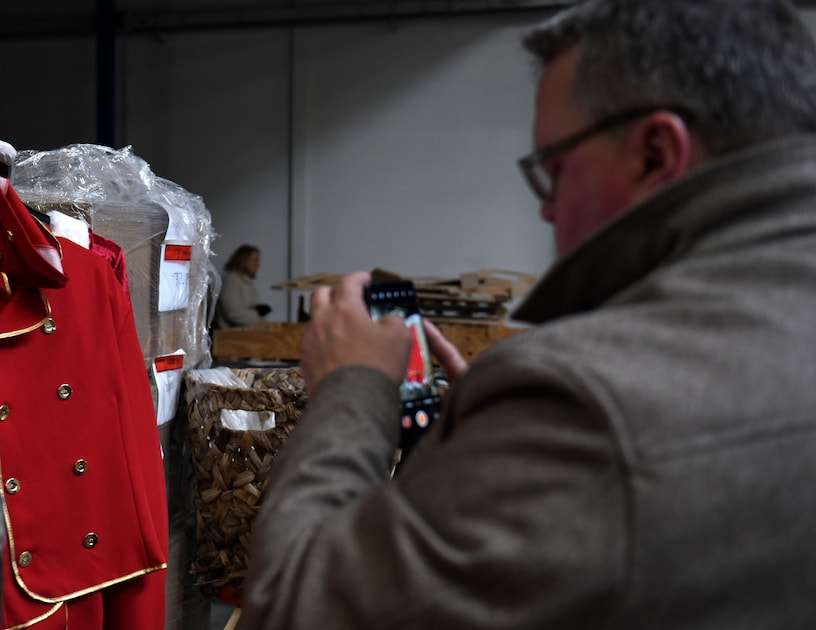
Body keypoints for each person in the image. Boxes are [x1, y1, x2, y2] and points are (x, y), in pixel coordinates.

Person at [239, 1, 816, 628]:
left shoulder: (584, 401)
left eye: (555, 171)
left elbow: (294, 609)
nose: (546, 210)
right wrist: (498, 450)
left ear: (655, 154)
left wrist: (351, 390)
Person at [215, 244, 271, 327]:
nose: (258, 264)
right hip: (230, 332)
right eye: (255, 260)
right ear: (244, 260)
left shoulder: (248, 283)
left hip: (245, 330)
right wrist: (257, 317)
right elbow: (232, 313)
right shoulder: (231, 280)